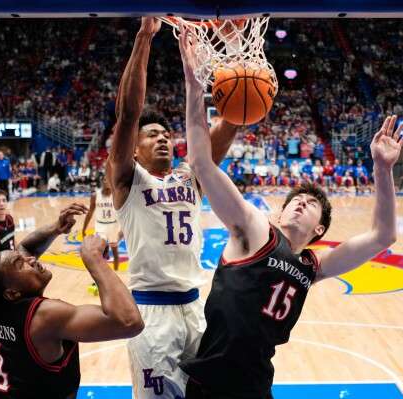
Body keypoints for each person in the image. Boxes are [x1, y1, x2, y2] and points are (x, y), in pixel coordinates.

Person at [178, 28, 403, 399]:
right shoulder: (254, 231)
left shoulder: (312, 266)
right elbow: (201, 162)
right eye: (294, 200)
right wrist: (194, 85)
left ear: (318, 229)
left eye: (311, 204)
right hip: (210, 382)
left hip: (256, 385)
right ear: (279, 212)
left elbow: (383, 236)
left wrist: (382, 170)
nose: (300, 202)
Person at [108, 17, 238, 399]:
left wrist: (232, 56)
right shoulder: (128, 179)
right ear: (134, 148)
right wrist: (145, 38)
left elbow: (230, 123)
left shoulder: (189, 175)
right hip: (152, 314)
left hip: (195, 309)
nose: (163, 138)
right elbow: (128, 114)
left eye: (166, 134)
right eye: (152, 135)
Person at [0, 203, 144, 398]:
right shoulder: (44, 317)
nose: (30, 259)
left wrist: (56, 227)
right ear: (12, 293)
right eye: (21, 264)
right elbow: (129, 322)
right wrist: (94, 260)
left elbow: (26, 248)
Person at [82, 175, 122, 271]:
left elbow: (123, 212)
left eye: (109, 179)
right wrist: (84, 228)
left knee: (115, 254)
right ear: (102, 182)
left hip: (113, 226)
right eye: (105, 179)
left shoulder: (116, 194)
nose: (107, 181)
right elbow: (90, 212)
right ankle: (100, 280)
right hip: (100, 226)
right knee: (97, 253)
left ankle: (115, 277)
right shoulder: (95, 195)